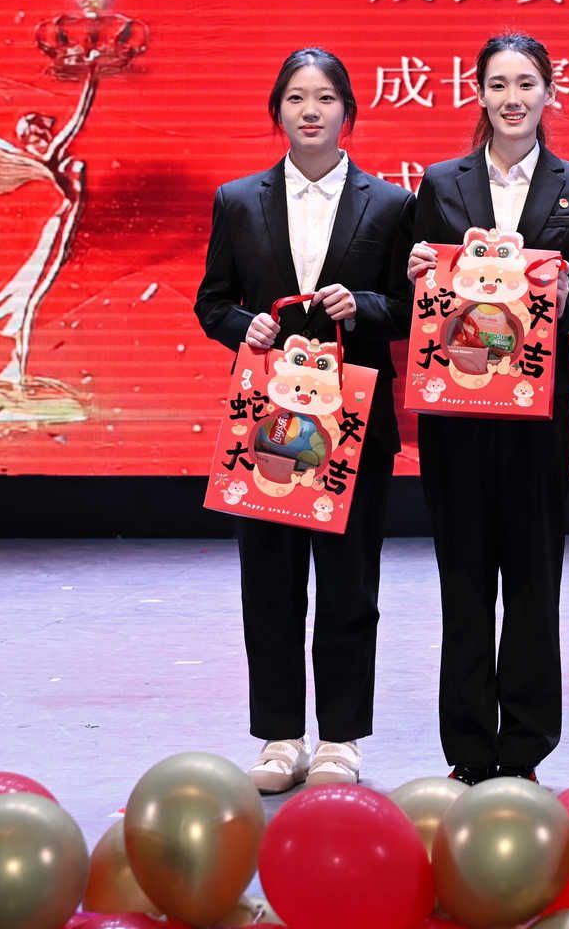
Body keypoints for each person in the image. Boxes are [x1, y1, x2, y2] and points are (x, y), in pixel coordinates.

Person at [194, 46, 415, 792]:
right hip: (268, 418)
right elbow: (212, 303)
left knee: (350, 584)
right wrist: (245, 326)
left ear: (348, 111)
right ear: (278, 112)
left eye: (324, 98)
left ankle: (341, 738)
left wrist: (367, 307)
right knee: (270, 581)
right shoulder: (237, 200)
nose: (310, 110)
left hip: (355, 418)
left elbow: (413, 308)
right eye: (296, 98)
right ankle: (280, 736)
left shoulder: (390, 204)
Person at [405, 33, 569, 784]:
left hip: (538, 411)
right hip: (455, 414)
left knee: (532, 582)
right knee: (462, 581)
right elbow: (418, 293)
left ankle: (523, 749)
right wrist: (417, 273)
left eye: (526, 84)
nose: (513, 98)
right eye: (498, 84)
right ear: (479, 93)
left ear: (549, 93)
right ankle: (467, 750)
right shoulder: (441, 182)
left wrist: (563, 302)